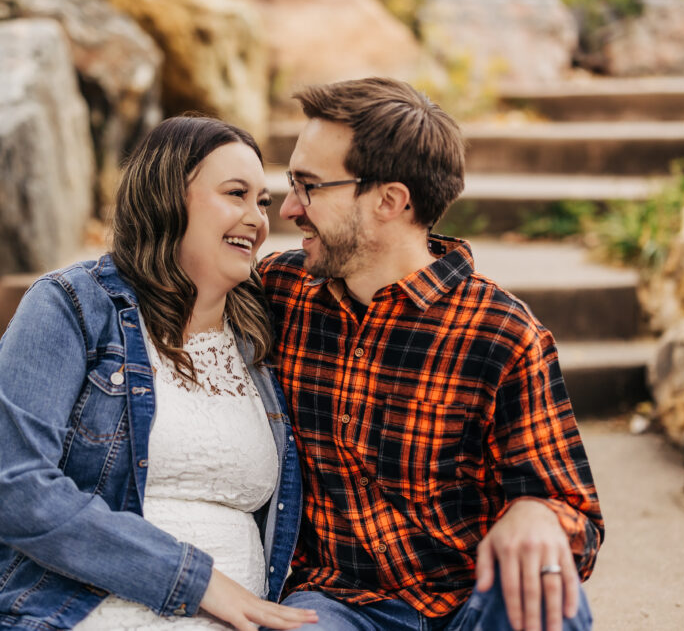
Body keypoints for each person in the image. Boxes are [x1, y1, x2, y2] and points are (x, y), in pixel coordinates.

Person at [0, 116, 317, 631]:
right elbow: (15, 489)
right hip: (66, 613)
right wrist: (193, 580)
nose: (257, 218)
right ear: (166, 197)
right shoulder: (73, 307)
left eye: (263, 202)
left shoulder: (265, 329)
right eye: (236, 194)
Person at [257, 78, 604, 631]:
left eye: (310, 186)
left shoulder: (501, 334)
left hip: (471, 602)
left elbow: (573, 513)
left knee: (542, 594)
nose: (290, 207)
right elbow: (163, 284)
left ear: (390, 201)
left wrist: (538, 515)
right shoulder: (279, 291)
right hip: (338, 604)